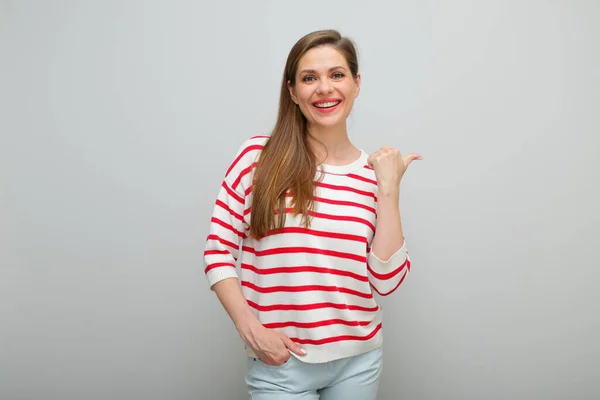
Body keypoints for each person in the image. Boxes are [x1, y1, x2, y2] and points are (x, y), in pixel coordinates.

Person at [203, 29, 422, 400]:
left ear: (356, 83)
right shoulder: (258, 158)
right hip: (281, 364)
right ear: (292, 91)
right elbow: (217, 251)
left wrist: (389, 190)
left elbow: (386, 282)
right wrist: (249, 328)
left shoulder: (373, 175)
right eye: (309, 78)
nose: (324, 88)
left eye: (337, 75)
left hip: (359, 361)